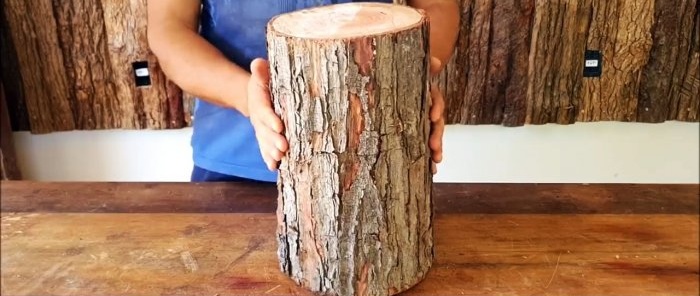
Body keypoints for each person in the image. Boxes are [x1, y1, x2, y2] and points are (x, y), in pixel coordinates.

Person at [147, 0, 459, 182]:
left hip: (371, 157)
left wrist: (411, 79)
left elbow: (437, 6)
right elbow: (170, 26)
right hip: (234, 163)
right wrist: (248, 98)